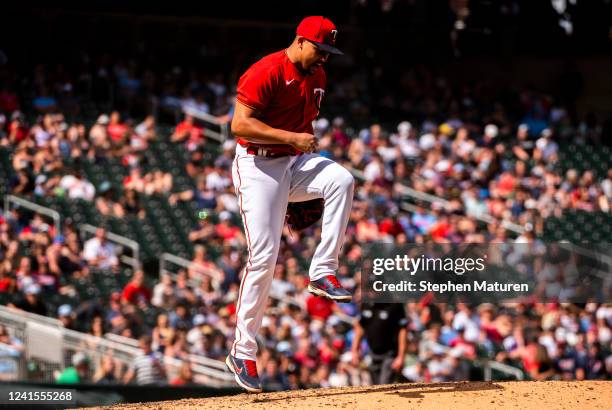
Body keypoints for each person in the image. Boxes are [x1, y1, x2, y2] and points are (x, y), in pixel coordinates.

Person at [225, 16, 354, 393]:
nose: (324, 58)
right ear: (300, 41)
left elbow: (302, 131)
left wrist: (301, 174)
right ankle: (242, 351)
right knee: (264, 256)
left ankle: (322, 271)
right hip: (257, 165)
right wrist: (291, 139)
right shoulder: (265, 71)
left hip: (291, 162)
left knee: (341, 179)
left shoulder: (317, 77)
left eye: (329, 52)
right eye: (320, 49)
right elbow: (239, 125)